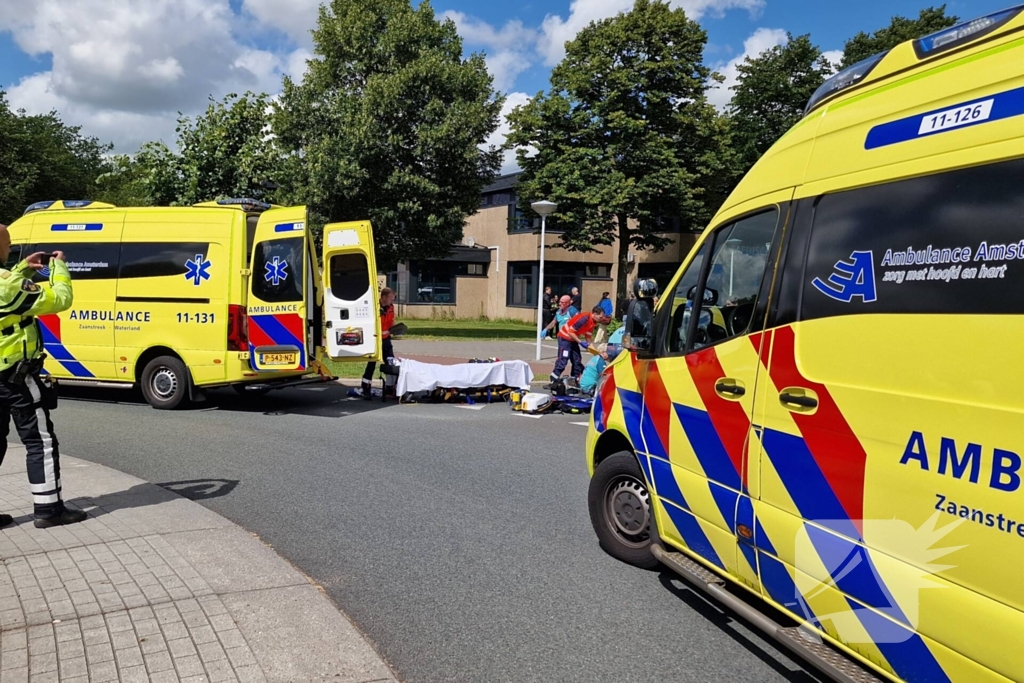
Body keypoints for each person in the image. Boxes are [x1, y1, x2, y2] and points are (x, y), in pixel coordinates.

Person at [0, 226, 84, 528]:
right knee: (40, 442)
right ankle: (49, 510)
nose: (9, 251)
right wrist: (59, 267)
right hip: (14, 377)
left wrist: (23, 268)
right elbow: (60, 299)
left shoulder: (9, 282)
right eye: (7, 245)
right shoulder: (7, 286)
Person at [550, 305, 611, 385]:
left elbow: (588, 337)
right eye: (600, 317)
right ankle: (553, 379)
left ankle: (575, 380)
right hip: (565, 338)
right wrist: (580, 342)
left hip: (573, 339)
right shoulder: (584, 318)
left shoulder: (593, 322)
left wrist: (594, 351)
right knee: (563, 359)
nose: (601, 319)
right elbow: (571, 332)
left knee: (577, 359)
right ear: (595, 314)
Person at [361, 287, 396, 399]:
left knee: (391, 364)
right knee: (371, 364)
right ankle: (366, 388)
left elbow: (391, 323)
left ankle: (391, 388)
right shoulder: (374, 307)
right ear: (383, 297)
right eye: (391, 299)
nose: (392, 301)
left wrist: (396, 329)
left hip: (386, 340)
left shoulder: (391, 307)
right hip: (375, 340)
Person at [580, 327, 625, 395]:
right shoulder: (600, 362)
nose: (610, 354)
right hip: (590, 387)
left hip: (584, 386)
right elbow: (604, 376)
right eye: (608, 352)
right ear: (603, 352)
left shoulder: (594, 358)